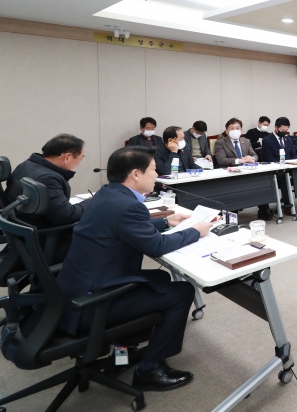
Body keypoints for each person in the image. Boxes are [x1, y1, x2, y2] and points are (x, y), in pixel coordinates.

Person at [56, 147, 214, 391]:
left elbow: (122, 225)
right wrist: (195, 231)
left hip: (74, 290)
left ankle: (123, 353)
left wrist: (165, 221)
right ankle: (149, 370)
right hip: (90, 304)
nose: (157, 174)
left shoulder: (107, 194)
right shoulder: (129, 206)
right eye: (153, 170)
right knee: (182, 292)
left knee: (159, 278)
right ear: (136, 174)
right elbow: (157, 246)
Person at [5, 134, 87, 262]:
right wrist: (93, 202)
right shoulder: (47, 178)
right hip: (46, 240)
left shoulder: (27, 165)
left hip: (25, 233)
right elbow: (67, 216)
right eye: (80, 159)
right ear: (67, 157)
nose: (79, 163)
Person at [260, 117, 297, 214]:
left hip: (289, 167)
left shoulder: (288, 139)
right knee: (285, 177)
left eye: (286, 130)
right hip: (276, 170)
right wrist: (279, 164)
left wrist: (292, 162)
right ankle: (287, 204)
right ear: (276, 128)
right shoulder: (267, 140)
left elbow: (293, 154)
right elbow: (268, 158)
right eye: (282, 130)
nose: (284, 132)